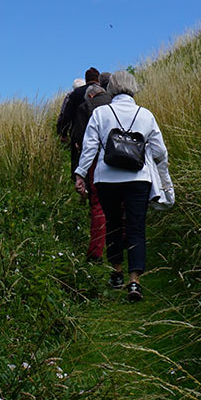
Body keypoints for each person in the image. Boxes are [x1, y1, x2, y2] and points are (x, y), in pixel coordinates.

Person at [73, 71, 174, 301]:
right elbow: (160, 151)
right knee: (136, 227)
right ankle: (134, 282)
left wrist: (80, 174)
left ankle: (116, 273)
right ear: (133, 88)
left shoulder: (101, 113)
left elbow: (89, 148)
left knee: (113, 225)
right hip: (139, 178)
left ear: (111, 89)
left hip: (106, 179)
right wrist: (162, 174)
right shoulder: (145, 115)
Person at [79, 72, 113, 261]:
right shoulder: (115, 103)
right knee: (121, 203)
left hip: (97, 162)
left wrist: (80, 171)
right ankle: (122, 244)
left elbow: (82, 140)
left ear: (90, 95)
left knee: (98, 204)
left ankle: (96, 252)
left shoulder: (87, 107)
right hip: (123, 159)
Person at [55, 67, 100, 169]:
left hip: (79, 133)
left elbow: (67, 114)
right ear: (98, 79)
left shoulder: (75, 93)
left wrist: (63, 132)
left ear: (86, 79)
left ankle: (77, 176)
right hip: (99, 133)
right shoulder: (104, 93)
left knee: (77, 163)